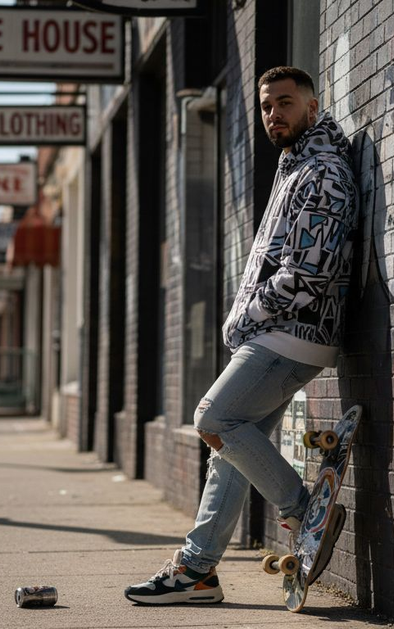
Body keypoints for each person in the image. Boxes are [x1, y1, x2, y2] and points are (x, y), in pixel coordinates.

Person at [124, 66, 358, 605]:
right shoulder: (293, 167)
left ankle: (304, 510)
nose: (274, 113)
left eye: (285, 102)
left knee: (213, 419)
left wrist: (247, 314)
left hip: (291, 333)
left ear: (312, 107)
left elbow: (311, 269)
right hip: (280, 333)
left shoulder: (321, 170)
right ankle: (198, 571)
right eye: (266, 106)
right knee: (225, 449)